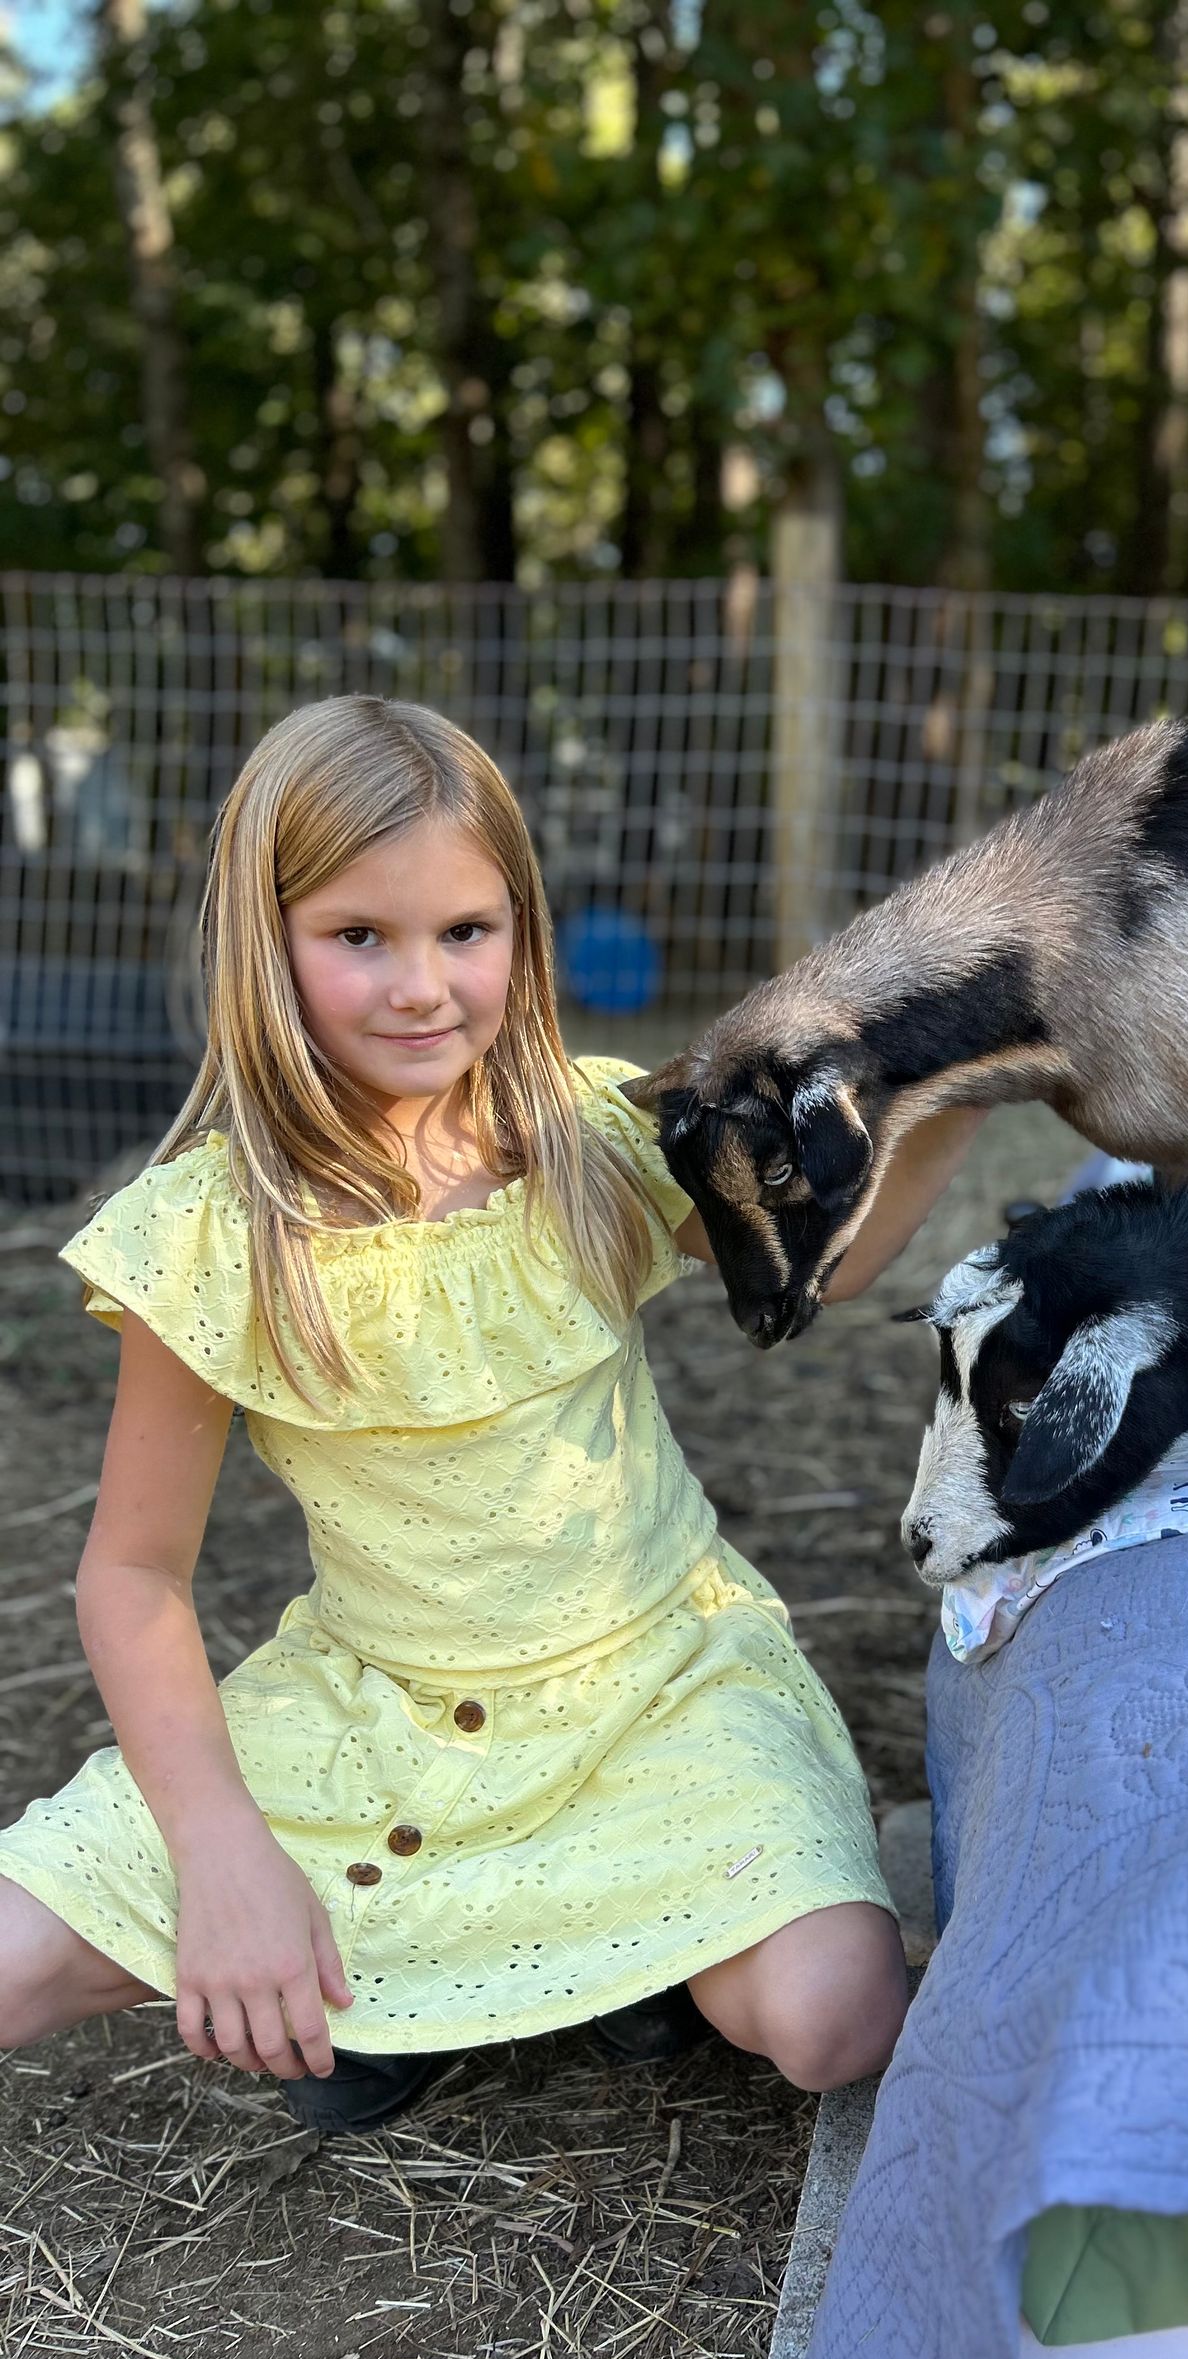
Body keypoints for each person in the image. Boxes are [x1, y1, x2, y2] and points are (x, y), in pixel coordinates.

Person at [0, 697, 977, 2132]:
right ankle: (455, 1977)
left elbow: (837, 1259)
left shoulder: (588, 1139)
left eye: (467, 931)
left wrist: (967, 1073)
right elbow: (134, 1574)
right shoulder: (211, 1236)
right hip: (380, 1714)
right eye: (360, 938)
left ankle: (558, 1979)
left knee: (836, 2019)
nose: (422, 988)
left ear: (522, 927)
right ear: (261, 942)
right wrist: (223, 1859)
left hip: (654, 1693)